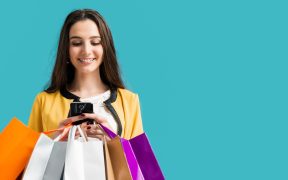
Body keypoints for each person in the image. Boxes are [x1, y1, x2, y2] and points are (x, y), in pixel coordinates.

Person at [28, 9, 143, 140]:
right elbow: (29, 159)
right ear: (66, 49)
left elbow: (140, 160)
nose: (86, 51)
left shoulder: (129, 101)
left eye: (95, 42)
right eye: (76, 43)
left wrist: (112, 141)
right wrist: (57, 141)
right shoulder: (44, 101)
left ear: (106, 47)